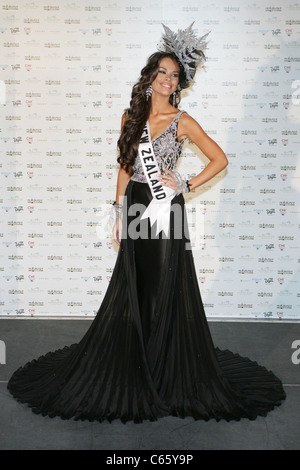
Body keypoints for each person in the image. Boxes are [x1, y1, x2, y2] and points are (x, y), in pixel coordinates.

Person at [7, 24, 285, 423]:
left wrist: (184, 184)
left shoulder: (182, 120)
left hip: (165, 209)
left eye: (175, 75)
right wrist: (117, 212)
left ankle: (162, 365)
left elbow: (220, 159)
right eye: (163, 73)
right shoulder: (131, 117)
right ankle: (138, 360)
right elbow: (124, 167)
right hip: (137, 205)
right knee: (135, 284)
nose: (169, 81)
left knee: (161, 285)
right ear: (150, 77)